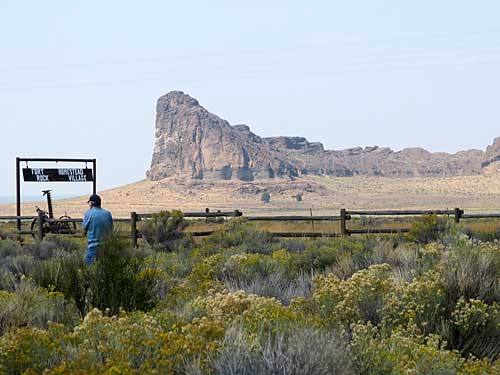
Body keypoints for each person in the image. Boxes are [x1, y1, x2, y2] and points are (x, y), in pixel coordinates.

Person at [82, 194, 113, 264]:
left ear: (92, 203)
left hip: (93, 247)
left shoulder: (88, 213)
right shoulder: (108, 214)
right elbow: (111, 230)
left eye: (89, 203)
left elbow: (84, 232)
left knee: (88, 271)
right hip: (106, 246)